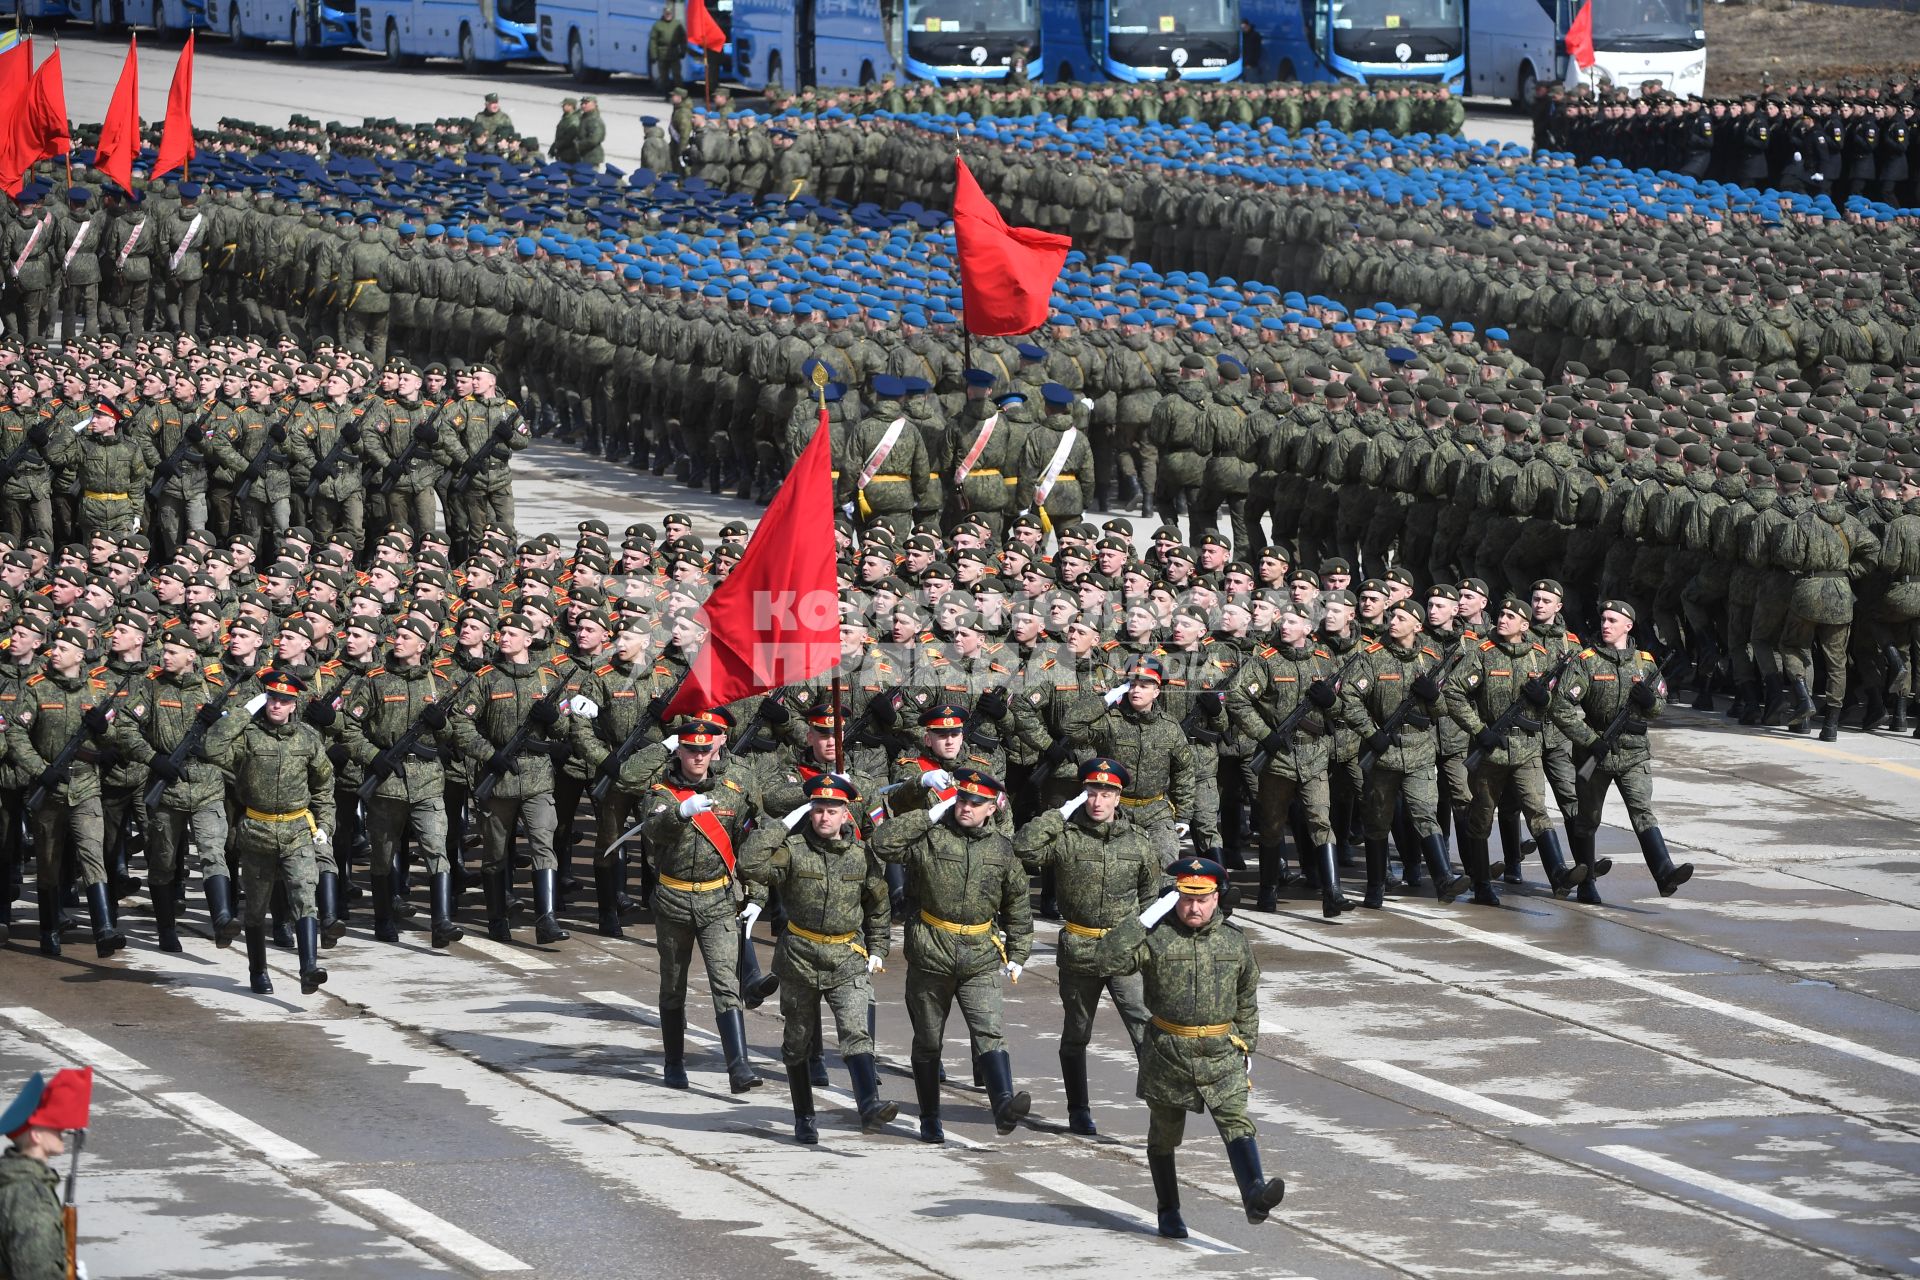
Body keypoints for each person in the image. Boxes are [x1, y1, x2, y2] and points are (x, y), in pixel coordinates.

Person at [1093, 856, 1285, 1239]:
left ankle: (1254, 1195)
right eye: (1184, 898)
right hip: (1168, 1052)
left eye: (1202, 898)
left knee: (1236, 1122)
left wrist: (1245, 1046)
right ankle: (1169, 1211)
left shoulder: (1234, 941)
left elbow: (1247, 998)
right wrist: (1145, 918)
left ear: (1217, 898)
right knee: (1163, 1135)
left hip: (1220, 1053)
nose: (1193, 907)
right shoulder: (1156, 938)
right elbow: (1106, 960)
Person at [872, 766, 1033, 1143]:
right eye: (962, 799)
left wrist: (1018, 953)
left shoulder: (1002, 850)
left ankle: (1004, 1106)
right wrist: (929, 813)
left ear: (992, 808)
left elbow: (1018, 906)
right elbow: (884, 843)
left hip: (979, 956)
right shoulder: (932, 836)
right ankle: (930, 1117)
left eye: (977, 803)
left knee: (989, 1032)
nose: (967, 807)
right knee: (928, 1040)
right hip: (931, 951)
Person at [739, 772, 895, 1144]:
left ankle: (869, 1106)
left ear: (846, 815)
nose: (824, 817)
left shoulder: (862, 857)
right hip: (800, 958)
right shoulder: (792, 850)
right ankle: (804, 1116)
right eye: (817, 810)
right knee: (798, 1040)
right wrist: (784, 823)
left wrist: (878, 949)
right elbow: (750, 862)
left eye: (832, 810)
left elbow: (878, 905)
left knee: (856, 1033)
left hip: (847, 957)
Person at [1013, 757, 1159, 1135]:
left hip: (1125, 950)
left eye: (1106, 793)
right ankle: (1078, 1109)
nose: (1098, 800)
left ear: (1118, 796)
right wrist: (1060, 813)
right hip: (1079, 948)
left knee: (1144, 1027)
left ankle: (1160, 1107)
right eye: (1091, 792)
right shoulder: (1065, 837)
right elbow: (1025, 850)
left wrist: (1149, 950)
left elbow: (1149, 901)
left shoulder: (1139, 842)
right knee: (1077, 1031)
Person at [0, 1071, 78, 1280]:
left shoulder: (13, 1177)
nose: (61, 1128)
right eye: (53, 1125)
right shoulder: (29, 1195)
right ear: (36, 1135)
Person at [649, 3, 686, 93]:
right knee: (664, 76)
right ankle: (666, 93)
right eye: (666, 13)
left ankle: (680, 93)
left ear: (672, 14)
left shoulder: (677, 24)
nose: (668, 15)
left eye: (669, 13)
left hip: (674, 54)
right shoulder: (658, 25)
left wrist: (683, 51)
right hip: (662, 55)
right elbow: (653, 41)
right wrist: (653, 55)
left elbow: (683, 39)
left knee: (677, 75)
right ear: (664, 13)